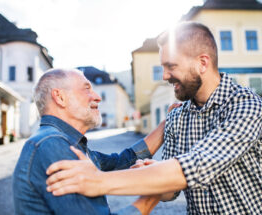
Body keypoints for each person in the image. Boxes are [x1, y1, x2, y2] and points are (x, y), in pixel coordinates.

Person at [46, 22, 262, 214]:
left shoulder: (246, 105)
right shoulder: (177, 117)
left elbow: (198, 165)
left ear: (202, 63)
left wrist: (98, 181)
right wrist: (150, 172)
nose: (164, 75)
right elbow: (172, 191)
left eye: (171, 66)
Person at [13, 68, 167, 215]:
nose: (97, 97)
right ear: (60, 97)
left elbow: (122, 161)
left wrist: (166, 124)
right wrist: (154, 192)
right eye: (87, 89)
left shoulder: (68, 143)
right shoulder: (52, 145)